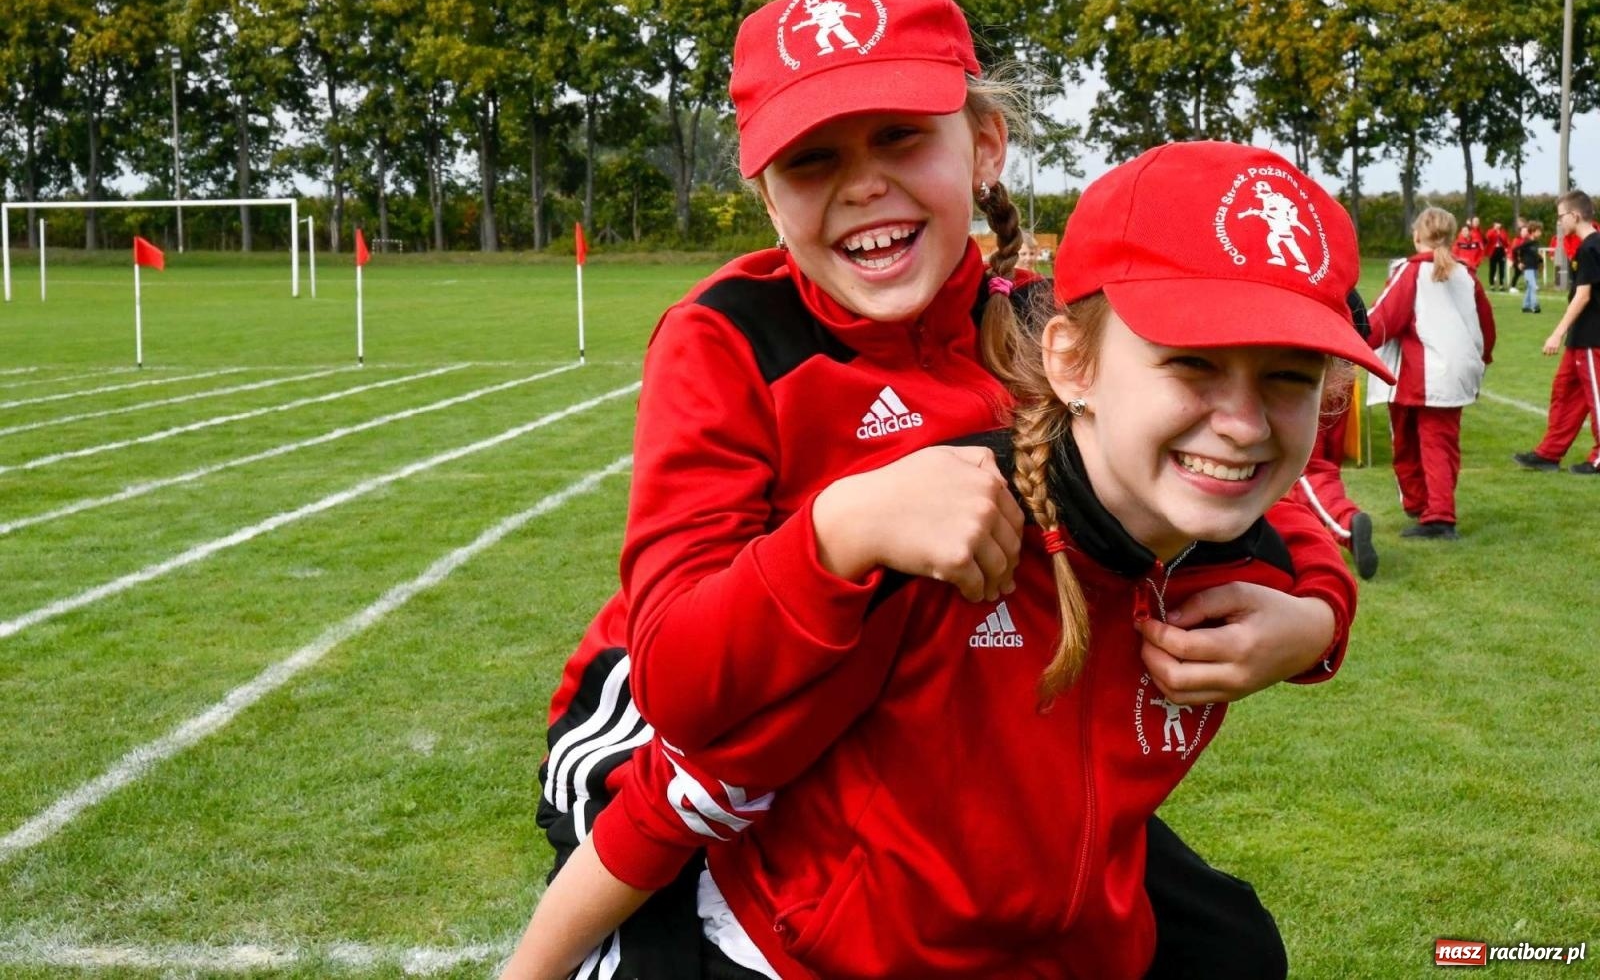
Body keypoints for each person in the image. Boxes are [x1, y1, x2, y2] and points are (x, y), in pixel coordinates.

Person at [505, 141, 1390, 980]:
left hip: (1046, 936)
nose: (1241, 423)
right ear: (1072, 364)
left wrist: (1318, 623)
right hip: (799, 917)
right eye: (1192, 365)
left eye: (1289, 376)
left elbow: (1291, 517)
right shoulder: (944, 544)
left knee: (1235, 949)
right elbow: (688, 784)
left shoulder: (1226, 546)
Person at [1366, 206, 1496, 539]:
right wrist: (1484, 357)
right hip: (1455, 371)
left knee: (1418, 442)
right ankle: (1427, 505)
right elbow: (1486, 324)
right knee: (1440, 443)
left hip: (1423, 372)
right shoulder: (1466, 274)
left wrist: (1350, 334)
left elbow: (1384, 319)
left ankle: (1437, 513)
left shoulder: (1410, 271)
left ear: (1416, 234)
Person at [1289, 291, 1379, 578]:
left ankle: (1347, 522)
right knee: (1325, 464)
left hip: (1311, 379)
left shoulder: (1303, 281)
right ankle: (1311, 539)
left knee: (1305, 469)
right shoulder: (1346, 290)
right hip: (1343, 375)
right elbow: (1367, 330)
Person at [1512, 189, 1600, 475]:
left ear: (1575, 215)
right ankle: (1549, 453)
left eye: (1561, 216)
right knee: (1565, 392)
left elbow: (1583, 296)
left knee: (1595, 396)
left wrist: (1557, 332)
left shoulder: (1591, 247)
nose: (1559, 223)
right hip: (1580, 337)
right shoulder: (1584, 246)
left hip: (1592, 336)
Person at [1515, 221, 1544, 312]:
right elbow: (1515, 250)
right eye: (1538, 231)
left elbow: (1535, 255)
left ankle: (1525, 306)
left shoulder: (1536, 243)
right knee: (1533, 286)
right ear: (1532, 231)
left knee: (1530, 287)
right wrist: (1518, 262)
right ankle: (1535, 306)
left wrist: (1540, 261)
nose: (1540, 233)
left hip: (1534, 268)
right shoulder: (1527, 243)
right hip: (1528, 268)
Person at [1485, 220, 1510, 289]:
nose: (1498, 225)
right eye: (1496, 224)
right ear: (1494, 224)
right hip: (1493, 251)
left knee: (1502, 268)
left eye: (1499, 224)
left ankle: (1501, 284)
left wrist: (1500, 235)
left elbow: (1506, 241)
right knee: (1493, 268)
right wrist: (1494, 230)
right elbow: (1488, 237)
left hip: (1501, 250)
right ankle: (1492, 284)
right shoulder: (1490, 231)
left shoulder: (1503, 232)